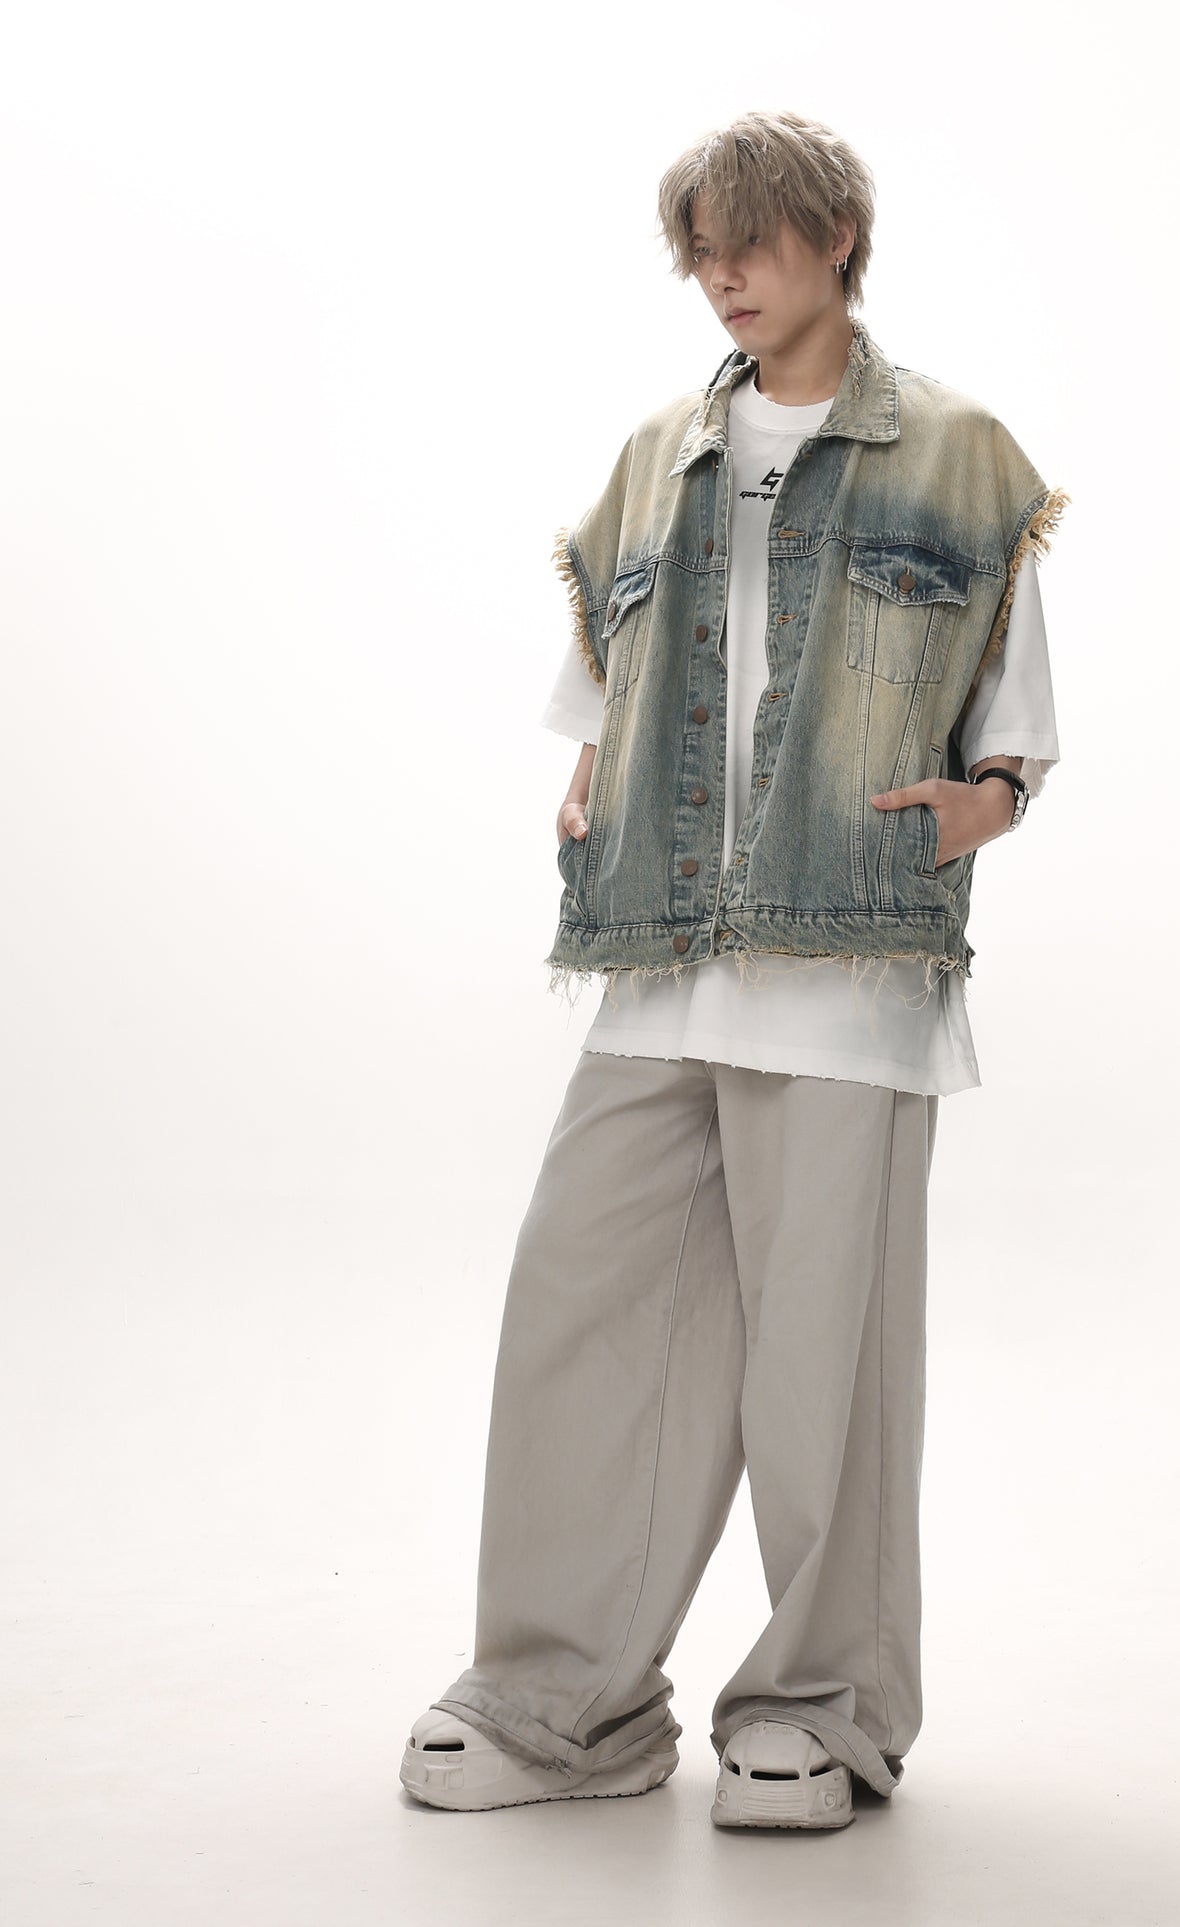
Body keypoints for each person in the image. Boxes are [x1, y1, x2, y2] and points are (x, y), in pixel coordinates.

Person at [399, 108, 1066, 1832]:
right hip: (662, 948)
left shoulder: (957, 450)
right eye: (702, 249)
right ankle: (564, 1700)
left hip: (847, 956)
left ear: (835, 235)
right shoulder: (655, 453)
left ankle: (821, 1709)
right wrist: (584, 784)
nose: (724, 275)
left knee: (822, 1364)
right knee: (583, 1306)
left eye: (753, 241)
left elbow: (1010, 710)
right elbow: (605, 688)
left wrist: (984, 806)